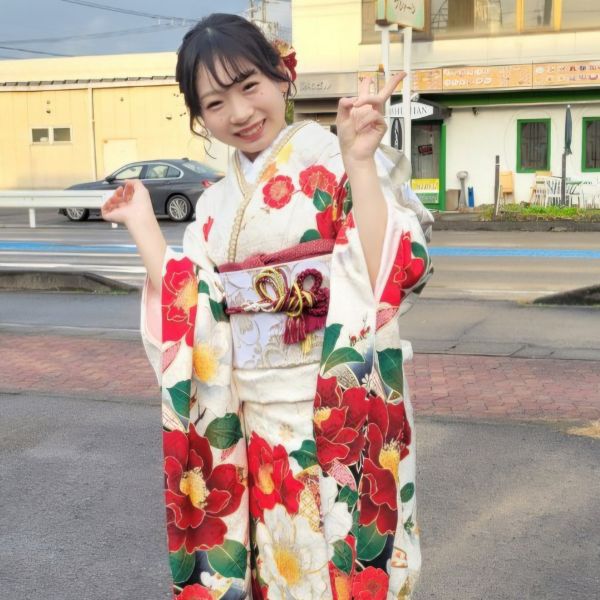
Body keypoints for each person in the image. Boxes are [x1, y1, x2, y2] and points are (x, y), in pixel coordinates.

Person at [101, 13, 433, 600]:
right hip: (255, 427)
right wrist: (143, 225)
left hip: (342, 410)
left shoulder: (341, 155)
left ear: (282, 75)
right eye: (215, 103)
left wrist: (359, 162)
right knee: (280, 572)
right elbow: (194, 309)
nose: (239, 112)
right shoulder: (214, 206)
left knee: (345, 568)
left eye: (249, 85)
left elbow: (388, 272)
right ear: (199, 117)